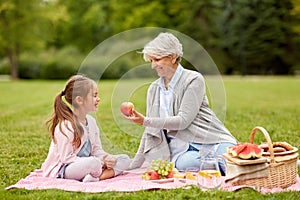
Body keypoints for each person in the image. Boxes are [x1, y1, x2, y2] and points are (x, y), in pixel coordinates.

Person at [124, 32, 237, 175]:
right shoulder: (153, 89)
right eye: (151, 61)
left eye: (157, 59)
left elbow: (183, 121)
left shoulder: (194, 79)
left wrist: (145, 121)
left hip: (212, 140)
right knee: (187, 163)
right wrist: (133, 165)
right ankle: (221, 166)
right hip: (182, 152)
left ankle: (224, 164)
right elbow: (150, 132)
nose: (153, 65)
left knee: (227, 159)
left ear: (172, 57)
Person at [41, 75, 130, 182]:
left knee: (124, 159)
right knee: (93, 163)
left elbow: (96, 150)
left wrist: (106, 158)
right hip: (65, 169)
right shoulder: (66, 126)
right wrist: (99, 162)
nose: (98, 99)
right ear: (79, 100)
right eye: (94, 95)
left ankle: (94, 178)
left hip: (91, 165)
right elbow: (66, 158)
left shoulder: (91, 122)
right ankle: (96, 175)